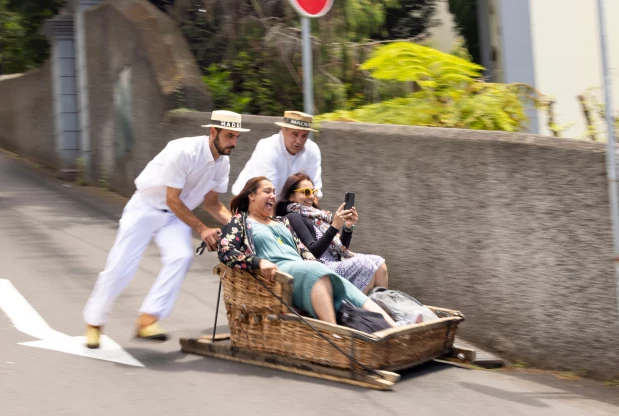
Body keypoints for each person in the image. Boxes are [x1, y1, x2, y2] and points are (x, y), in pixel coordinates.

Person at [82, 110, 250, 349]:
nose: (233, 142)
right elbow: (173, 199)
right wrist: (202, 229)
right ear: (213, 132)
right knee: (120, 267)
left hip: (174, 217)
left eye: (237, 137)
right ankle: (94, 323)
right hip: (146, 208)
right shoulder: (183, 151)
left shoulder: (222, 163)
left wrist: (244, 228)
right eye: (229, 136)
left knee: (180, 256)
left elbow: (212, 204)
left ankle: (147, 319)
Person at [218, 176, 396, 327]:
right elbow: (225, 250)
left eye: (273, 191)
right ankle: (334, 335)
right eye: (266, 191)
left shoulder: (282, 222)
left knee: (337, 279)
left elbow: (305, 253)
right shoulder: (240, 221)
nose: (272, 195)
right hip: (278, 273)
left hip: (301, 267)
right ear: (251, 196)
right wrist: (258, 262)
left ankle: (392, 327)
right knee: (315, 270)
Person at [275, 173, 388, 293]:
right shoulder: (293, 217)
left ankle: (382, 308)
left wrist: (347, 227)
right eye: (306, 192)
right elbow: (313, 253)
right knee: (366, 265)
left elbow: (339, 251)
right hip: (320, 267)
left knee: (380, 263)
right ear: (291, 196)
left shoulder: (319, 217)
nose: (311, 196)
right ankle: (362, 308)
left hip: (335, 263)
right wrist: (334, 226)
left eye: (313, 192)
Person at [231, 110, 323, 199]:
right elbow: (266, 195)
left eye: (304, 136)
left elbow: (314, 192)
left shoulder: (312, 150)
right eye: (294, 134)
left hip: (282, 205)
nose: (299, 141)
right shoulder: (267, 147)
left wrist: (315, 214)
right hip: (249, 202)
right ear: (283, 130)